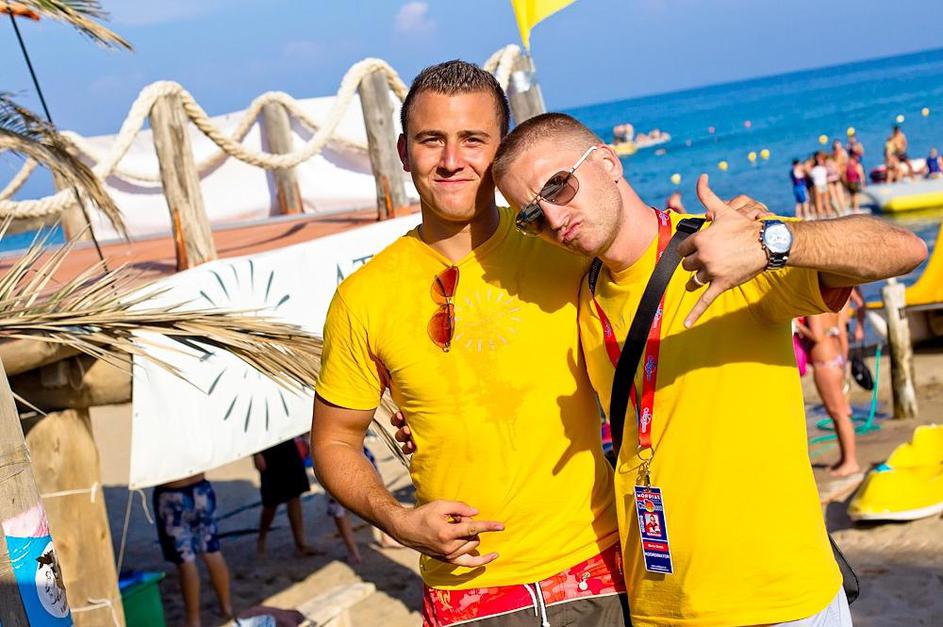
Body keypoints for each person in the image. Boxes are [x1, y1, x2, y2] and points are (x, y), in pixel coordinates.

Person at [490, 112, 927, 626]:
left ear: (608, 162)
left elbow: (904, 249)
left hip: (778, 600)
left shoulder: (728, 247)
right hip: (660, 605)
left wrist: (774, 243)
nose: (553, 218)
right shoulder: (580, 295)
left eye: (558, 187)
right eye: (531, 216)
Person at [310, 61, 628, 626]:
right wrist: (397, 519)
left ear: (501, 150)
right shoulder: (363, 298)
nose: (452, 160)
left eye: (473, 140)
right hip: (469, 598)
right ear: (404, 151)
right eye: (432, 140)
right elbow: (335, 441)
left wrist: (758, 233)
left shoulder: (565, 247)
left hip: (600, 570)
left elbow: (659, 267)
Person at [153, 474, 233, 627]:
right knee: (212, 551)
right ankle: (226, 607)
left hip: (171, 492)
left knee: (185, 561)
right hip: (200, 488)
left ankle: (193, 619)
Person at [795, 313, 861, 477]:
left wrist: (797, 325)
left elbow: (817, 336)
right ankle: (845, 458)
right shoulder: (832, 306)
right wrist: (844, 365)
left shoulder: (815, 309)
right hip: (836, 358)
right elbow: (841, 332)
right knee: (838, 413)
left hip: (825, 363)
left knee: (839, 414)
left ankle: (851, 462)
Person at [253, 437, 319, 558]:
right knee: (271, 501)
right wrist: (256, 454)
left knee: (295, 495)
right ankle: (262, 537)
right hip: (266, 449)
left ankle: (301, 544)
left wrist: (305, 438)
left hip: (287, 444)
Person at [810, 151, 831, 218]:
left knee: (825, 200)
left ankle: (828, 214)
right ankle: (821, 215)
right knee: (819, 201)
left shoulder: (822, 166)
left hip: (823, 184)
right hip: (818, 184)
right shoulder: (814, 167)